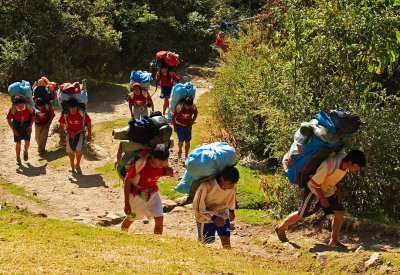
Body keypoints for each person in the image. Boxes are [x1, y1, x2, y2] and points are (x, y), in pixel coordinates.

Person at [275, 150, 367, 247]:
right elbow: (314, 182)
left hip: (329, 190)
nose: (358, 169)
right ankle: (281, 228)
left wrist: (338, 191)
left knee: (339, 213)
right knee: (301, 213)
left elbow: (336, 177)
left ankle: (334, 241)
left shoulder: (344, 164)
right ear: (350, 162)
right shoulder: (330, 164)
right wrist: (322, 198)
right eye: (357, 166)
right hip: (314, 190)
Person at [121, 144, 174, 234]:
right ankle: (122, 234)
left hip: (152, 192)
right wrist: (126, 203)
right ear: (152, 157)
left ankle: (157, 242)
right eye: (160, 161)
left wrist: (167, 172)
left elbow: (156, 173)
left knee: (159, 218)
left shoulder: (164, 164)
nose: (162, 163)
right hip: (137, 194)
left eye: (164, 160)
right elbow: (127, 180)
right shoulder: (142, 163)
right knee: (131, 218)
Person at [193, 166, 239, 249]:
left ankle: (228, 259)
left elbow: (231, 199)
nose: (232, 187)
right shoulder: (206, 186)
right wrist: (214, 218)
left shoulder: (231, 187)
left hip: (222, 214)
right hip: (205, 217)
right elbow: (198, 207)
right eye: (230, 184)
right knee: (205, 243)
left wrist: (231, 211)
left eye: (234, 184)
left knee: (226, 241)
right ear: (222, 179)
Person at [58, 99, 92, 174]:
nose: (73, 110)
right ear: (68, 108)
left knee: (79, 151)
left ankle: (78, 166)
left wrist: (89, 135)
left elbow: (89, 123)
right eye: (71, 108)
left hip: (80, 134)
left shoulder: (82, 113)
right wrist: (62, 138)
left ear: (77, 107)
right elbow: (60, 126)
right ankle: (72, 167)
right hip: (69, 135)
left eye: (74, 108)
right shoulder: (65, 114)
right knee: (71, 153)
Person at [6, 95, 35, 164]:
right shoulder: (13, 109)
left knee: (27, 142)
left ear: (24, 103)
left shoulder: (29, 107)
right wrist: (14, 130)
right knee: (18, 143)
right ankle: (18, 156)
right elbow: (9, 119)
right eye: (18, 105)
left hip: (27, 124)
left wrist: (30, 126)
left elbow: (33, 116)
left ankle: (25, 151)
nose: (20, 106)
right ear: (16, 105)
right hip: (17, 125)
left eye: (22, 105)